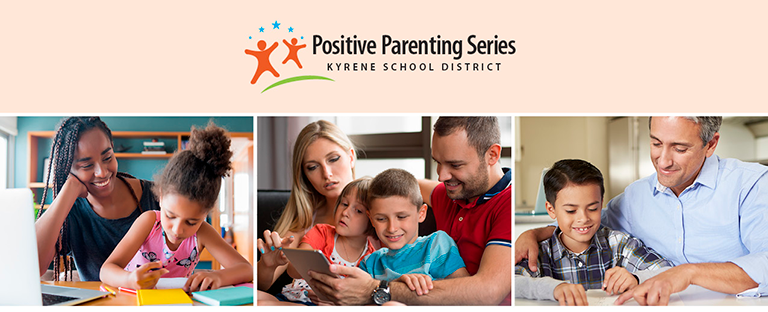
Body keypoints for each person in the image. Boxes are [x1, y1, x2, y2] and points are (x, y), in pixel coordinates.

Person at [516, 116, 768, 306]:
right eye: (656, 143)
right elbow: (586, 225)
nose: (663, 161)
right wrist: (535, 234)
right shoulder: (635, 197)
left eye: (680, 148)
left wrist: (689, 272)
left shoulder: (752, 185)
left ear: (711, 144)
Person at [307, 116, 512, 305]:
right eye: (438, 162)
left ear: (492, 155)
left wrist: (377, 289)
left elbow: (488, 292)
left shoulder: (507, 202)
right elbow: (397, 189)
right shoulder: (452, 192)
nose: (441, 176)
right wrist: (346, 202)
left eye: (455, 165)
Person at [100, 123, 252, 292]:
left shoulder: (202, 232)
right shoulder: (149, 222)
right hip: (133, 299)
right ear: (161, 197)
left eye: (191, 222)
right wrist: (129, 279)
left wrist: (219, 276)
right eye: (171, 216)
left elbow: (246, 269)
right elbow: (106, 270)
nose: (178, 230)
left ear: (205, 214)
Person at [515, 159, 670, 305]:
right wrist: (553, 288)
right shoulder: (540, 252)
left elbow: (667, 270)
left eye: (593, 208)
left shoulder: (618, 244)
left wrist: (636, 278)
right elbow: (513, 282)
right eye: (571, 211)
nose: (583, 218)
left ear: (601, 203)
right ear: (551, 209)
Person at [35, 117, 161, 282]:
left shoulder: (156, 196)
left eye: (107, 157)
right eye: (86, 165)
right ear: (68, 169)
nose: (102, 172)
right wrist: (69, 189)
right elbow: (33, 266)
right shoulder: (71, 211)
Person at [257, 120, 358, 294]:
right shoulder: (304, 222)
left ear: (351, 157)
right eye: (313, 167)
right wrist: (267, 265)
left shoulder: (381, 205)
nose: (327, 173)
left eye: (333, 159)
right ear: (305, 175)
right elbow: (261, 285)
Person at [262, 178, 378, 304]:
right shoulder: (321, 232)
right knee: (258, 297)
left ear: (372, 221)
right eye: (344, 204)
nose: (345, 212)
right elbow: (293, 271)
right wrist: (289, 257)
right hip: (295, 296)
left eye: (358, 211)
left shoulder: (372, 258)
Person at [361, 168, 469, 300]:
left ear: (421, 213)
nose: (392, 228)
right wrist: (393, 287)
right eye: (381, 219)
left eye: (401, 217)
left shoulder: (436, 245)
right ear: (371, 219)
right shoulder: (370, 263)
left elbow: (465, 293)